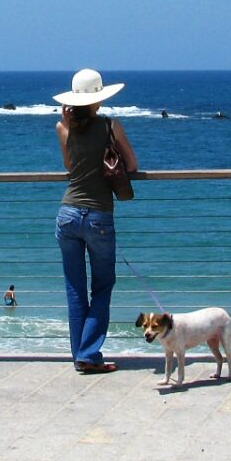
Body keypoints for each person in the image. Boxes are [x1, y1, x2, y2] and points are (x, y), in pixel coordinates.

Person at [53, 69, 138, 374]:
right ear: (98, 100)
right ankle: (88, 354)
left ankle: (83, 355)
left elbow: (69, 165)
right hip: (99, 214)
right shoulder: (110, 126)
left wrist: (67, 124)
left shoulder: (62, 128)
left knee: (75, 288)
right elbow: (131, 165)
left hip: (67, 213)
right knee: (102, 286)